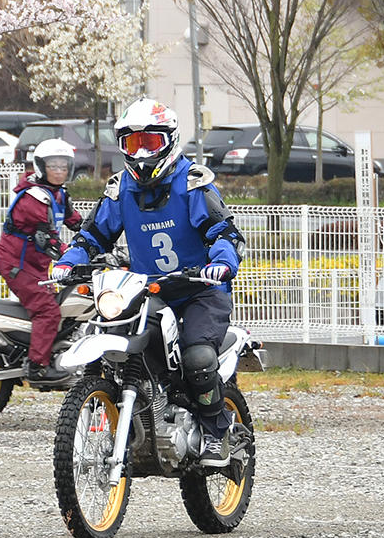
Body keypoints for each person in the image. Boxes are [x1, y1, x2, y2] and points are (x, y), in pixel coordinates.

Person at [53, 99, 245, 468]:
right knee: (120, 340)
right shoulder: (120, 189)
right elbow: (92, 236)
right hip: (147, 291)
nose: (140, 153)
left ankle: (217, 433)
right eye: (131, 143)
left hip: (199, 290)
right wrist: (67, 262)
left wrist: (221, 262)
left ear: (170, 141)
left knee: (198, 357)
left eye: (150, 143)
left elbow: (224, 232)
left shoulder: (193, 185)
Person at [0, 137, 82, 386]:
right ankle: (37, 367)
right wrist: (72, 256)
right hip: (18, 265)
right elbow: (46, 240)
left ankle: (40, 349)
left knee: (58, 305)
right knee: (47, 312)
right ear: (41, 167)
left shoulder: (58, 194)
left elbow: (79, 223)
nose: (59, 171)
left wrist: (100, 241)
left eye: (63, 166)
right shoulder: (34, 199)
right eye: (54, 166)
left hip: (35, 266)